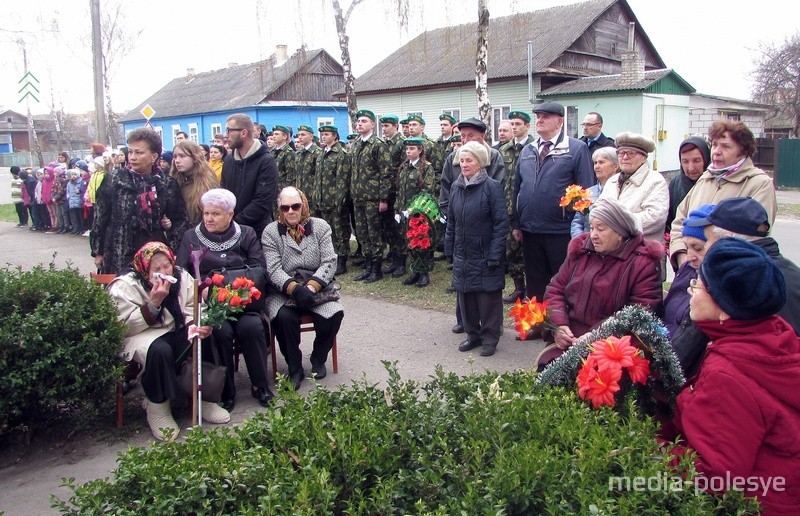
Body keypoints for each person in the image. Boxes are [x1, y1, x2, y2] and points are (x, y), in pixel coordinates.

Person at [669, 238, 800, 514]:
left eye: (698, 286)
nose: (691, 293)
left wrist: (647, 446)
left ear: (726, 309)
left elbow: (715, 476)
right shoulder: (775, 334)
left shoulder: (728, 375)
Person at [108, 242, 230, 441]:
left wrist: (195, 322)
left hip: (175, 328)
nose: (163, 272)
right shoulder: (126, 285)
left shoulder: (181, 276)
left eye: (166, 266)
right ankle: (158, 406)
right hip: (142, 334)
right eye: (156, 268)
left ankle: (203, 397)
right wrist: (153, 303)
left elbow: (193, 304)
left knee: (200, 335)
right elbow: (122, 327)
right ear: (144, 268)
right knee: (159, 350)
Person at [176, 189, 273, 410]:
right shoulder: (191, 237)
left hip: (243, 303)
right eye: (206, 213)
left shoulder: (246, 233)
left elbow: (259, 268)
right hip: (210, 305)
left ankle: (260, 385)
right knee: (220, 331)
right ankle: (226, 390)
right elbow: (181, 271)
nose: (209, 218)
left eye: (216, 214)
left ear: (230, 214)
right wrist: (199, 290)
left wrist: (238, 289)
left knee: (252, 327)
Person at [512, 101, 594, 340]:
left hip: (560, 230)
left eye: (545, 117)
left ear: (559, 121)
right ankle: (538, 324)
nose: (539, 120)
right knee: (535, 282)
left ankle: (560, 328)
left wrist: (580, 228)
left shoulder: (575, 149)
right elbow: (517, 188)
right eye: (537, 116)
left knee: (561, 283)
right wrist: (517, 223)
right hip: (530, 229)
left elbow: (585, 190)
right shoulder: (528, 150)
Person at [544, 198, 663, 351]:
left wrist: (596, 335)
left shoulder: (642, 263)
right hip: (569, 341)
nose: (593, 235)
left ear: (620, 233)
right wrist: (559, 326)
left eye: (600, 229)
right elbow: (555, 289)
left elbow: (640, 312)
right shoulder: (581, 252)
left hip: (614, 349)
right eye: (592, 228)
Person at [262, 187, 344, 389]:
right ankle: (294, 367)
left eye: (295, 206)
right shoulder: (271, 232)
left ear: (303, 205)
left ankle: (318, 357)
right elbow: (273, 269)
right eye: (285, 207)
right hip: (284, 292)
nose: (291, 211)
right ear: (279, 209)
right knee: (284, 319)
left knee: (334, 314)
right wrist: (295, 289)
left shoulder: (321, 226)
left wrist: (311, 287)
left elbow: (329, 262)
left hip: (317, 288)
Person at [669, 120, 777, 270]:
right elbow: (679, 221)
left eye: (726, 146)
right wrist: (681, 255)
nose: (717, 151)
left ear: (743, 151)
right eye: (714, 145)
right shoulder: (706, 178)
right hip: (692, 269)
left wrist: (714, 266)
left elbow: (753, 236)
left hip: (727, 274)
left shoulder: (758, 183)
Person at [691, 196, 800, 336]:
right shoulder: (792, 273)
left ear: (727, 239)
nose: (705, 247)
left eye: (707, 240)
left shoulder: (741, 280)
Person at [439, 117, 506, 333]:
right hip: (462, 229)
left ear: (482, 136)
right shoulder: (453, 158)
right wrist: (448, 213)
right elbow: (447, 187)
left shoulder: (493, 157)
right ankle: (467, 325)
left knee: (485, 287)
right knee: (464, 283)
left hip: (483, 230)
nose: (465, 140)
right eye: (462, 136)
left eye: (471, 136)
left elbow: (497, 207)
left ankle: (489, 330)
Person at [92, 128, 189, 275]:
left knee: (154, 293)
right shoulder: (115, 179)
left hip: (154, 252)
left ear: (153, 156)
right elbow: (100, 217)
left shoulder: (166, 183)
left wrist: (173, 249)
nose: (132, 157)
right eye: (130, 152)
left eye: (139, 152)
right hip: (119, 251)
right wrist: (98, 251)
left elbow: (180, 219)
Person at [662, 204, 714, 378]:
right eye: (687, 247)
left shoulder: (715, 286)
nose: (690, 256)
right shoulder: (687, 270)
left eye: (698, 248)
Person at [598, 132, 668, 243]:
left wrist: (615, 224)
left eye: (631, 153)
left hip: (641, 251)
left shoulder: (655, 180)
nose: (625, 157)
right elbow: (599, 209)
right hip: (611, 249)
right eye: (621, 153)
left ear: (644, 157)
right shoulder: (612, 181)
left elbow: (655, 218)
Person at [350, 109, 392, 283]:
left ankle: (377, 268)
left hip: (373, 198)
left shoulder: (378, 144)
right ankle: (368, 266)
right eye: (358, 121)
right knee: (362, 233)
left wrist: (383, 198)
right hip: (358, 197)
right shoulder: (357, 144)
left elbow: (385, 172)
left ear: (372, 125)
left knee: (374, 233)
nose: (360, 124)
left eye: (364, 121)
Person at [220, 113, 279, 238]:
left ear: (243, 133)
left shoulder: (266, 161)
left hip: (256, 233)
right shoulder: (229, 161)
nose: (225, 136)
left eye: (229, 130)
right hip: (230, 232)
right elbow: (224, 195)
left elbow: (263, 201)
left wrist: (234, 223)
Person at [499, 110, 534, 303]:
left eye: (518, 124)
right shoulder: (504, 150)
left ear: (527, 126)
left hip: (527, 208)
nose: (514, 128)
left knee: (530, 252)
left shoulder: (534, 148)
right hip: (507, 208)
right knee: (511, 251)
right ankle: (518, 287)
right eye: (512, 124)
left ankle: (532, 288)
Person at [396, 137, 436, 287]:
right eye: (407, 149)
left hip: (420, 213)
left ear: (420, 150)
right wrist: (398, 210)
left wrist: (412, 210)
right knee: (410, 242)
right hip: (404, 212)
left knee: (421, 243)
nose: (408, 151)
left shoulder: (426, 167)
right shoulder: (404, 167)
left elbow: (426, 192)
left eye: (412, 148)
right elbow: (400, 191)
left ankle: (424, 273)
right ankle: (415, 272)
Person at [314, 125, 351, 275]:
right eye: (322, 134)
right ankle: (330, 258)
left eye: (327, 134)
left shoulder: (340, 154)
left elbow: (342, 179)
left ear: (335, 136)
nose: (323, 137)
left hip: (335, 200)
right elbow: (318, 178)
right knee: (327, 231)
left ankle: (342, 260)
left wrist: (340, 200)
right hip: (323, 199)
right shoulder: (323, 153)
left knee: (340, 231)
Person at [570, 146, 619, 237]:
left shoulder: (621, 191)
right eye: (595, 163)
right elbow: (577, 222)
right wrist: (581, 241)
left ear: (615, 166)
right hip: (587, 244)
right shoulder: (587, 193)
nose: (597, 166)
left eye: (601, 162)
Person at [665, 136, 710, 232]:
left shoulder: (715, 184)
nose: (691, 168)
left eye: (696, 161)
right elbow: (669, 221)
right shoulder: (675, 184)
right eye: (685, 161)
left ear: (706, 159)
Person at [170, 140, 219, 226]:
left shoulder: (207, 183)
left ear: (195, 157)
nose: (177, 160)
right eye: (175, 157)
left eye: (182, 156)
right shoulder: (173, 181)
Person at [294, 125, 322, 213]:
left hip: (312, 197)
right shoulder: (298, 154)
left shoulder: (318, 153)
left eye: (303, 135)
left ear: (311, 136)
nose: (300, 137)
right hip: (300, 196)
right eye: (299, 135)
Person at [271, 124, 297, 190]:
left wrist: (287, 190)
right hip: (272, 187)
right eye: (273, 134)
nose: (274, 136)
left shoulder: (289, 152)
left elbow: (290, 175)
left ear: (284, 136)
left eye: (276, 134)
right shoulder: (272, 151)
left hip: (282, 189)